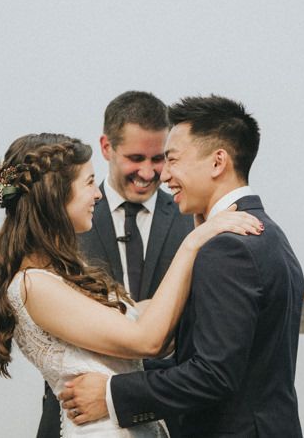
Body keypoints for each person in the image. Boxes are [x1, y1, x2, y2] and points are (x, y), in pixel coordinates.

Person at [0, 132, 263, 437]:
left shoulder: (61, 273)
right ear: (56, 195)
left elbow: (143, 319)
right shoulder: (34, 285)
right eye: (88, 183)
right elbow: (146, 340)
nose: (97, 195)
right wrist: (192, 244)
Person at [59, 96, 304, 438]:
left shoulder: (228, 246)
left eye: (171, 159)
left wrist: (112, 393)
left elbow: (214, 374)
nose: (164, 175)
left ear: (218, 162)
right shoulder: (266, 232)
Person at [38, 92, 193, 438]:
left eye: (159, 158)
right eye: (135, 158)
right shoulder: (64, 223)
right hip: (75, 416)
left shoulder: (190, 220)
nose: (148, 172)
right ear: (107, 147)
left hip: (170, 419)